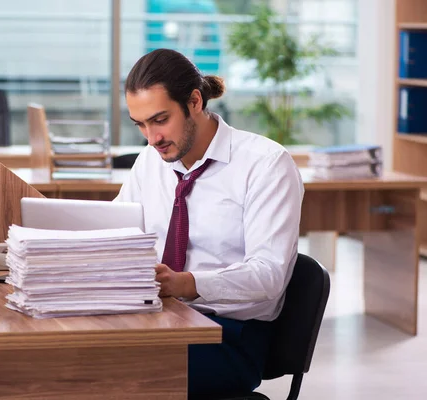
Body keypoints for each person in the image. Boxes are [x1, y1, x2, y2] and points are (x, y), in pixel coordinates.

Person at [114, 49, 304, 399]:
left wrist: (186, 283)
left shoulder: (266, 165)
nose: (151, 138)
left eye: (160, 120)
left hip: (228, 337)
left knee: (101, 368)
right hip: (158, 319)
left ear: (195, 102)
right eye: (140, 125)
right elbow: (114, 231)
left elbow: (269, 275)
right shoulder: (150, 162)